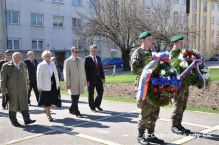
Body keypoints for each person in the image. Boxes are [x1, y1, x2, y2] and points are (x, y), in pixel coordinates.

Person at [131, 31, 164, 145]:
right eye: (149, 39)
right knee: (146, 111)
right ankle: (140, 136)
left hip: (154, 85)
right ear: (142, 40)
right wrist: (149, 72)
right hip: (144, 86)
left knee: (155, 110)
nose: (151, 41)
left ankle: (150, 135)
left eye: (151, 39)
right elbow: (135, 69)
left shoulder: (152, 53)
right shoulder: (137, 53)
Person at [1, 52, 36, 127]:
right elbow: (3, 80)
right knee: (13, 106)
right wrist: (4, 91)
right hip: (12, 91)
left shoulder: (23, 64)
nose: (20, 58)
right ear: (13, 58)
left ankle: (27, 120)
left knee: (24, 105)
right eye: (18, 57)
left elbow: (27, 76)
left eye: (20, 57)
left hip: (23, 90)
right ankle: (14, 121)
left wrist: (28, 85)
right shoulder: (6, 66)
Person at [170, 34, 191, 135]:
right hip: (176, 85)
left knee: (183, 105)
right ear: (175, 43)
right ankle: (174, 125)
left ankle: (179, 124)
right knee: (177, 105)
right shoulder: (171, 55)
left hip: (185, 84)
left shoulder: (184, 53)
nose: (182, 44)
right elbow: (171, 69)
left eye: (183, 42)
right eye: (180, 43)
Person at [37, 50, 60, 122]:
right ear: (43, 57)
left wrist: (58, 84)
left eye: (49, 56)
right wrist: (39, 87)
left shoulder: (53, 64)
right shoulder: (41, 65)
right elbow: (39, 77)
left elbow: (56, 75)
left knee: (51, 100)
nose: (48, 57)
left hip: (53, 86)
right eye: (46, 56)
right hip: (45, 86)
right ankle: (49, 116)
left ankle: (47, 111)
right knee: (47, 101)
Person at [63, 47, 86, 118]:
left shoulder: (80, 60)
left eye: (77, 51)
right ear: (72, 52)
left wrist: (84, 80)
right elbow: (66, 73)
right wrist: (67, 83)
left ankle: (71, 109)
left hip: (80, 82)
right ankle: (77, 112)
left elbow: (83, 71)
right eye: (76, 52)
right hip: (72, 83)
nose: (77, 53)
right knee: (74, 97)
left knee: (77, 97)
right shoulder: (68, 61)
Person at [85, 45, 105, 112]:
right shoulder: (87, 59)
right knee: (91, 94)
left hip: (99, 79)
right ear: (90, 50)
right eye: (93, 51)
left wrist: (103, 77)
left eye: (95, 51)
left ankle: (97, 104)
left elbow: (101, 68)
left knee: (101, 92)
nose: (94, 52)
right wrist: (87, 80)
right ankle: (92, 107)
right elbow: (86, 71)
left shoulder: (98, 58)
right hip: (90, 80)